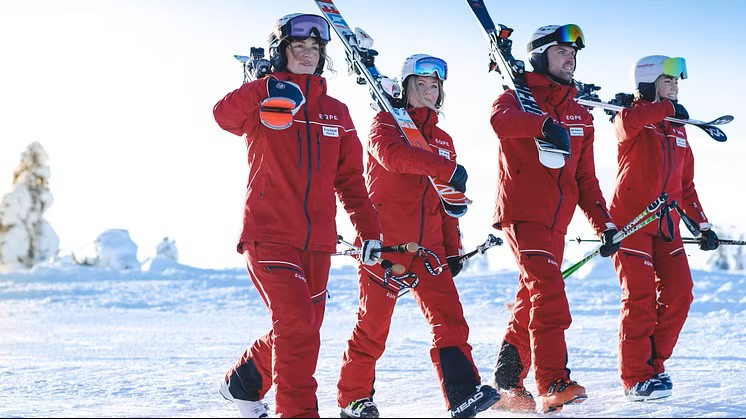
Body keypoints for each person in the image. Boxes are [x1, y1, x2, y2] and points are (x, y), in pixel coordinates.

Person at [213, 13, 383, 418]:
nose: (308, 54)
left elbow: (350, 181)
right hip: (269, 234)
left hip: (318, 242)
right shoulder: (264, 99)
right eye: (299, 46)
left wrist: (370, 232)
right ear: (281, 52)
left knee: (302, 330)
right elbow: (223, 116)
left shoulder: (336, 111)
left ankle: (243, 382)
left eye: (315, 48)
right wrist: (263, 86)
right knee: (297, 327)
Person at [335, 54, 499, 419]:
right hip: (386, 244)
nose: (428, 91)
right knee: (373, 325)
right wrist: (445, 167)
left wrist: (453, 249)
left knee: (450, 320)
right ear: (405, 87)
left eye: (434, 86)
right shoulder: (385, 124)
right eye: (420, 84)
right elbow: (393, 157)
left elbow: (447, 201)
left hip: (430, 249)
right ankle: (353, 399)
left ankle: (462, 394)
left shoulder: (443, 139)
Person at [488, 24, 621, 414]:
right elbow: (501, 123)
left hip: (556, 224)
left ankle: (507, 386)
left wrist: (604, 224)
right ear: (539, 56)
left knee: (531, 299)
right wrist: (543, 125)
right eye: (561, 52)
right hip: (522, 215)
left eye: (573, 54)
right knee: (548, 295)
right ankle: (552, 382)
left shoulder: (579, 114)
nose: (570, 59)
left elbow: (585, 179)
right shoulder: (516, 98)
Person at [609, 55, 719, 401]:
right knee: (639, 298)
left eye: (675, 82)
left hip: (666, 224)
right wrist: (662, 108)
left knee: (680, 292)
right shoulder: (629, 116)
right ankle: (635, 378)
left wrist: (702, 224)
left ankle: (653, 365)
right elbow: (628, 123)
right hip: (631, 222)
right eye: (667, 81)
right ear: (648, 82)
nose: (674, 87)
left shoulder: (678, 128)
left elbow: (686, 185)